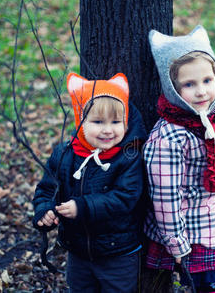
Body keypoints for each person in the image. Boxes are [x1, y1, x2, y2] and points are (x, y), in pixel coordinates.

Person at [143, 25, 215, 293]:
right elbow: (165, 196)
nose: (202, 91)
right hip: (192, 235)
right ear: (171, 88)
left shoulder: (212, 121)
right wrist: (176, 244)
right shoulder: (169, 138)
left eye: (207, 81)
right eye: (189, 84)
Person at [32, 72, 146, 293]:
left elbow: (125, 198)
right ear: (80, 120)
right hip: (78, 251)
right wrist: (44, 210)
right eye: (97, 121)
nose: (107, 129)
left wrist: (82, 207)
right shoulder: (65, 154)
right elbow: (47, 189)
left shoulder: (129, 157)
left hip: (118, 252)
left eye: (116, 121)